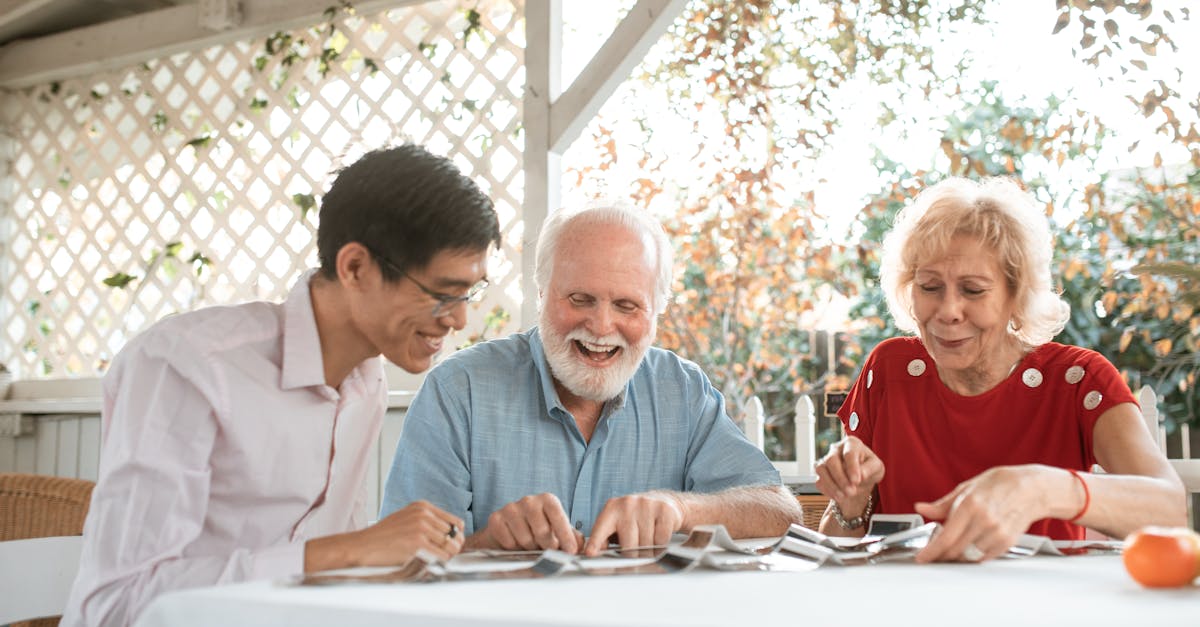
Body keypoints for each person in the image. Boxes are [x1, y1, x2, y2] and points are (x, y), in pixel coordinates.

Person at [63, 144, 502, 626]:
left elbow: (335, 583)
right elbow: (117, 604)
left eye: (469, 294)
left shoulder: (365, 382)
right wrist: (349, 551)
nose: (459, 319)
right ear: (356, 268)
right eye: (443, 294)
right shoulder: (186, 366)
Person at [380, 203, 801, 556]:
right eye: (580, 299)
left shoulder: (682, 390)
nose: (601, 327)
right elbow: (399, 561)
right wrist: (486, 543)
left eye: (626, 306)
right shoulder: (458, 391)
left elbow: (780, 511)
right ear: (541, 294)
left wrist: (680, 509)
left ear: (657, 311)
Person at [814, 176, 1186, 563]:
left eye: (973, 290)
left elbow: (1170, 511)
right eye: (929, 287)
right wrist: (851, 502)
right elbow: (836, 549)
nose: (948, 311)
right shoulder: (890, 369)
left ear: (1016, 296)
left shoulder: (1077, 380)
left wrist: (1042, 488)